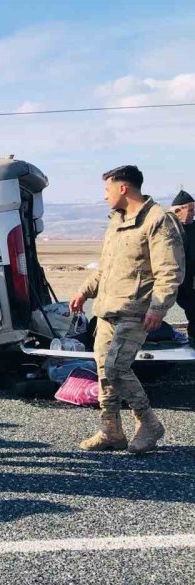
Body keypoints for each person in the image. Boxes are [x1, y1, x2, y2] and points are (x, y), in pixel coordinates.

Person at [70, 165, 184, 453]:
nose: (105, 195)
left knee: (116, 368)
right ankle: (111, 431)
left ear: (123, 188)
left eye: (107, 189)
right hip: (108, 309)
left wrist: (159, 308)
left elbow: (169, 271)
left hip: (136, 310)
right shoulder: (117, 222)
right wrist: (84, 290)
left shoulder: (158, 220)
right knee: (103, 372)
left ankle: (149, 423)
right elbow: (106, 266)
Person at [169, 189, 195, 345]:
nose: (192, 213)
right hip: (176, 281)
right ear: (178, 211)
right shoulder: (169, 230)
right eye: (190, 210)